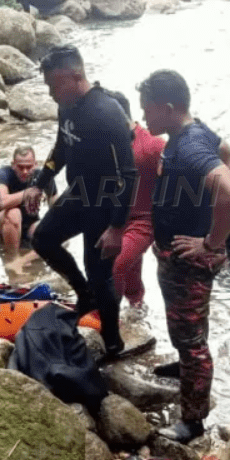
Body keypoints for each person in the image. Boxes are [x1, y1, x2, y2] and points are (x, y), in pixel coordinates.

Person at [137, 69, 230, 443]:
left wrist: (211, 243)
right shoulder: (193, 134)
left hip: (189, 260)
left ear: (168, 108)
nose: (144, 119)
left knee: (193, 342)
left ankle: (193, 421)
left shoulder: (190, 146)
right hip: (178, 255)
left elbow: (229, 192)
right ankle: (185, 367)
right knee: (190, 328)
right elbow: (227, 152)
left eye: (147, 111)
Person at [23, 45, 136, 358]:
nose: (50, 93)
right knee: (43, 238)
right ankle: (83, 293)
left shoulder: (106, 112)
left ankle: (113, 344)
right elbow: (62, 147)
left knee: (99, 272)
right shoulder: (66, 105)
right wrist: (39, 183)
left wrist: (116, 228)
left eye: (53, 86)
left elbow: (129, 174)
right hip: (78, 194)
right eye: (47, 86)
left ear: (76, 76)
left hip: (105, 202)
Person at [106, 90, 165, 312]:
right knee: (129, 270)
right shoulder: (109, 142)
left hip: (144, 221)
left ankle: (108, 318)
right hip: (116, 218)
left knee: (117, 264)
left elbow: (180, 182)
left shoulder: (152, 146)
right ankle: (138, 311)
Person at [0, 145, 56, 265]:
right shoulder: (4, 173)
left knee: (58, 234)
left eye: (29, 167)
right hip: (5, 222)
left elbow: (56, 204)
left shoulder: (43, 176)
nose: (25, 171)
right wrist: (28, 193)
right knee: (14, 213)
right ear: (13, 165)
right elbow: (2, 202)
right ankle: (12, 258)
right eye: (20, 167)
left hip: (31, 224)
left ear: (35, 164)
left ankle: (21, 261)